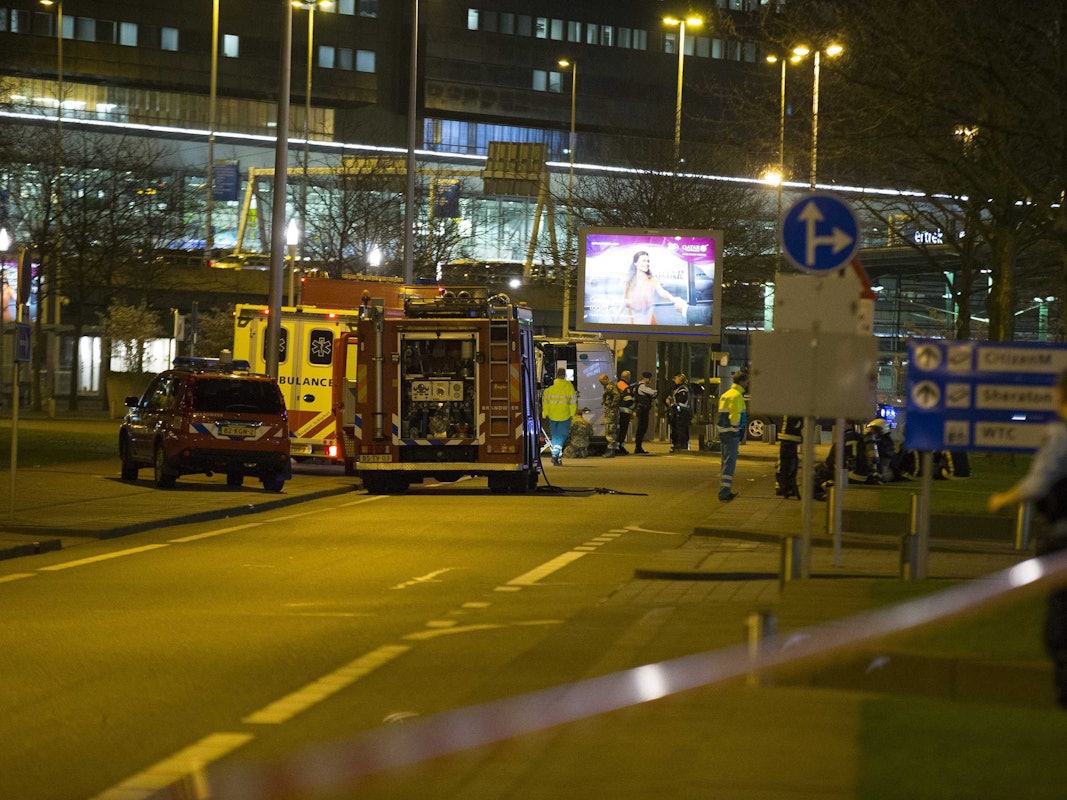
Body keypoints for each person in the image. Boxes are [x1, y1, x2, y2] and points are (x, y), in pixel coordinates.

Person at [988, 368, 1067, 709]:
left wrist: (1003, 498)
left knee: (1060, 629)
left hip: (1063, 542)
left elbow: (1038, 484)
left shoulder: (1060, 437)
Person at [621, 250, 687, 325]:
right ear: (635, 263)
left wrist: (674, 299)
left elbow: (662, 292)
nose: (647, 263)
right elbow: (625, 302)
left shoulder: (652, 279)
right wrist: (616, 317)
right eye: (644, 261)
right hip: (633, 319)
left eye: (648, 261)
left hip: (647, 320)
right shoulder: (629, 281)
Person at [716, 370, 748, 502]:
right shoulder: (737, 396)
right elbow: (735, 415)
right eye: (746, 382)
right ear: (741, 381)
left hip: (723, 432)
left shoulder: (725, 395)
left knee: (725, 462)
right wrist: (737, 430)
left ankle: (723, 490)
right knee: (730, 463)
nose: (747, 384)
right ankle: (724, 492)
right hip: (731, 433)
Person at [541, 367, 577, 466]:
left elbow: (545, 401)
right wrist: (572, 413)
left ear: (556, 375)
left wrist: (545, 412)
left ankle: (558, 458)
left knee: (555, 436)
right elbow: (573, 402)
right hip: (564, 415)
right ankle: (555, 454)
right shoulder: (569, 386)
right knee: (562, 436)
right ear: (564, 375)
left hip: (552, 415)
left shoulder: (550, 388)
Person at [776, 415, 803, 499]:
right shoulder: (792, 409)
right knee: (787, 465)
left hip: (789, 438)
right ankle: (786, 488)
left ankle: (786, 487)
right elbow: (795, 423)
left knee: (789, 464)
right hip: (788, 438)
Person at [666, 372, 691, 453]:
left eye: (676, 378)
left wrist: (672, 402)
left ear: (680, 380)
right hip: (676, 412)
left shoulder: (683, 389)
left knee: (681, 429)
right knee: (675, 429)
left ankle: (682, 444)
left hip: (682, 412)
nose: (674, 380)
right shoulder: (676, 389)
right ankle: (676, 444)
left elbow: (681, 400)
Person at [633, 371, 657, 454]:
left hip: (642, 410)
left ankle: (638, 447)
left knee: (642, 428)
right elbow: (653, 392)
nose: (649, 380)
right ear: (646, 378)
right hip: (642, 410)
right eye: (649, 378)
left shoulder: (640, 386)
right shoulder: (642, 386)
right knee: (642, 428)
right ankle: (638, 447)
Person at [598, 373, 621, 457]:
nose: (601, 383)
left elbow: (617, 396)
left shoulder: (610, 387)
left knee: (610, 430)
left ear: (605, 379)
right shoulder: (610, 386)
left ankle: (611, 450)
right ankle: (612, 449)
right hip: (611, 411)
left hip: (611, 413)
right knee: (611, 430)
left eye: (601, 381)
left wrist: (611, 406)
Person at [616, 370, 634, 454]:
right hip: (625, 412)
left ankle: (617, 446)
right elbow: (628, 400)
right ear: (628, 377)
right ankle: (620, 447)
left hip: (617, 412)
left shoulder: (617, 384)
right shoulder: (626, 387)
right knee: (623, 431)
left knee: (618, 430)